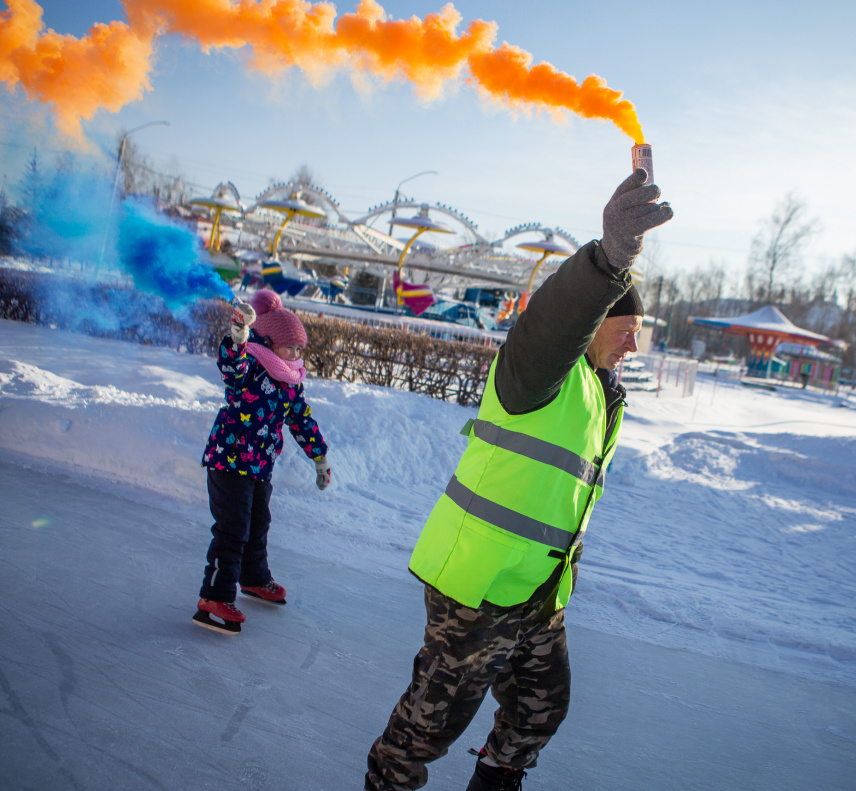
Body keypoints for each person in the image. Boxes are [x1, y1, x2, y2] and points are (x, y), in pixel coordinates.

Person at [364, 168, 673, 791]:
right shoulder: (536, 375)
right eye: (629, 328)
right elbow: (553, 322)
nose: (635, 345)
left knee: (540, 709)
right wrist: (609, 259)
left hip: (536, 591)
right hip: (478, 585)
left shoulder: (598, 391)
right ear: (597, 320)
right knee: (428, 726)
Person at [192, 289, 331, 633]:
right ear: (268, 342)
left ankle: (254, 578)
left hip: (260, 467)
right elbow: (231, 367)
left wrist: (319, 457)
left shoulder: (289, 380)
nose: (297, 354)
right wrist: (237, 337)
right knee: (233, 529)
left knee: (258, 525)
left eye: (300, 349)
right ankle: (215, 595)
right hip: (229, 461)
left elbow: (300, 419)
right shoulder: (251, 364)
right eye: (290, 347)